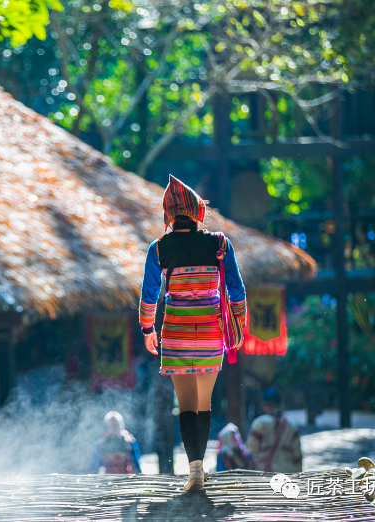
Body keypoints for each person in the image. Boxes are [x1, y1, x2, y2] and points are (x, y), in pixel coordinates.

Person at [139, 175, 247, 491]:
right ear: (198, 212)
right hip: (211, 331)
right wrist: (239, 323)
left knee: (185, 403)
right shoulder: (219, 244)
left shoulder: (159, 249)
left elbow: (149, 295)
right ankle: (200, 470)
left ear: (169, 215)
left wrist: (148, 329)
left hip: (176, 333)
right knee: (204, 402)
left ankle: (195, 470)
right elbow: (237, 291)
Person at [246, 388, 303, 472]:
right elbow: (297, 455)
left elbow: (250, 452)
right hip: (287, 472)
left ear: (265, 406)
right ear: (281, 404)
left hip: (264, 473)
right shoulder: (292, 425)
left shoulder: (260, 423)